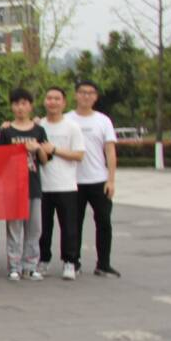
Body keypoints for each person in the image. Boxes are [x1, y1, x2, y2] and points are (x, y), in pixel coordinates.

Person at [68, 80, 120, 277]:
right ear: (76, 95)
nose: (86, 96)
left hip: (99, 179)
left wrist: (111, 180)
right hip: (73, 181)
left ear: (96, 97)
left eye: (90, 93)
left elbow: (110, 151)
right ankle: (73, 262)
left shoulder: (103, 121)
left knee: (104, 222)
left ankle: (103, 264)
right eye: (82, 92)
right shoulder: (67, 119)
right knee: (74, 224)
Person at [0, 88, 49, 281]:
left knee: (34, 228)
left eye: (24, 103)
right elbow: (0, 159)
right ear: (11, 106)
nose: (20, 107)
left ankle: (30, 265)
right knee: (14, 228)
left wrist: (38, 149)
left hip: (33, 185)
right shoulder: (6, 131)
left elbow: (45, 160)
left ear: (30, 106)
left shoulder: (38, 130)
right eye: (16, 104)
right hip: (13, 187)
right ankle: (14, 266)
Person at [37, 87, 86, 281]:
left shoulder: (72, 127)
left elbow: (79, 154)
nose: (53, 102)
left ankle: (70, 261)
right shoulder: (39, 126)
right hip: (43, 184)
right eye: (49, 98)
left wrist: (54, 149)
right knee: (43, 227)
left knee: (69, 227)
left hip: (66, 185)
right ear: (44, 101)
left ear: (64, 103)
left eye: (57, 99)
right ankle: (43, 260)